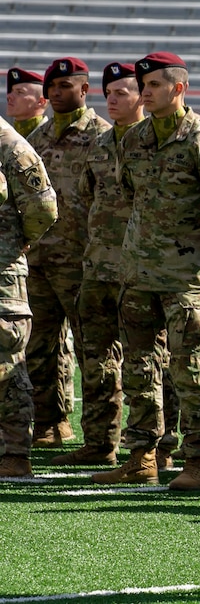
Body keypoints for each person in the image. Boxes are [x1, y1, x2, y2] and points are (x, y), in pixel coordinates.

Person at [92, 52, 200, 491]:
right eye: (143, 85)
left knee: (190, 370)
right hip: (139, 273)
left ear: (178, 89)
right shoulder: (134, 139)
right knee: (140, 369)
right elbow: (129, 191)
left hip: (186, 279)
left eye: (155, 86)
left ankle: (197, 462)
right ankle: (143, 456)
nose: (145, 92)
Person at [52, 63, 145, 466]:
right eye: (109, 93)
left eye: (122, 93)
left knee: (147, 362)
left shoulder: (151, 145)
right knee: (96, 358)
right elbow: (87, 205)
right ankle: (100, 442)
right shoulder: (103, 146)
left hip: (141, 269)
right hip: (97, 267)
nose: (113, 99)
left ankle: (153, 448)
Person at [25, 57, 112, 447]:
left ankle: (101, 436)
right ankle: (50, 424)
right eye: (52, 88)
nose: (57, 93)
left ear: (84, 90)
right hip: (40, 259)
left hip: (83, 261)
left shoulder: (102, 136)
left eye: (66, 86)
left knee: (94, 350)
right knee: (39, 347)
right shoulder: (37, 140)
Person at [0, 114, 58, 477]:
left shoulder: (8, 144)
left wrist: (15, 243)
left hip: (1, 273)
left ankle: (16, 454)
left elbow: (43, 208)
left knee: (5, 365)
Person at [6, 68, 49, 138]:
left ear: (41, 102)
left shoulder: (53, 138)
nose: (9, 96)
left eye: (19, 92)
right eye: (11, 91)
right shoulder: (6, 136)